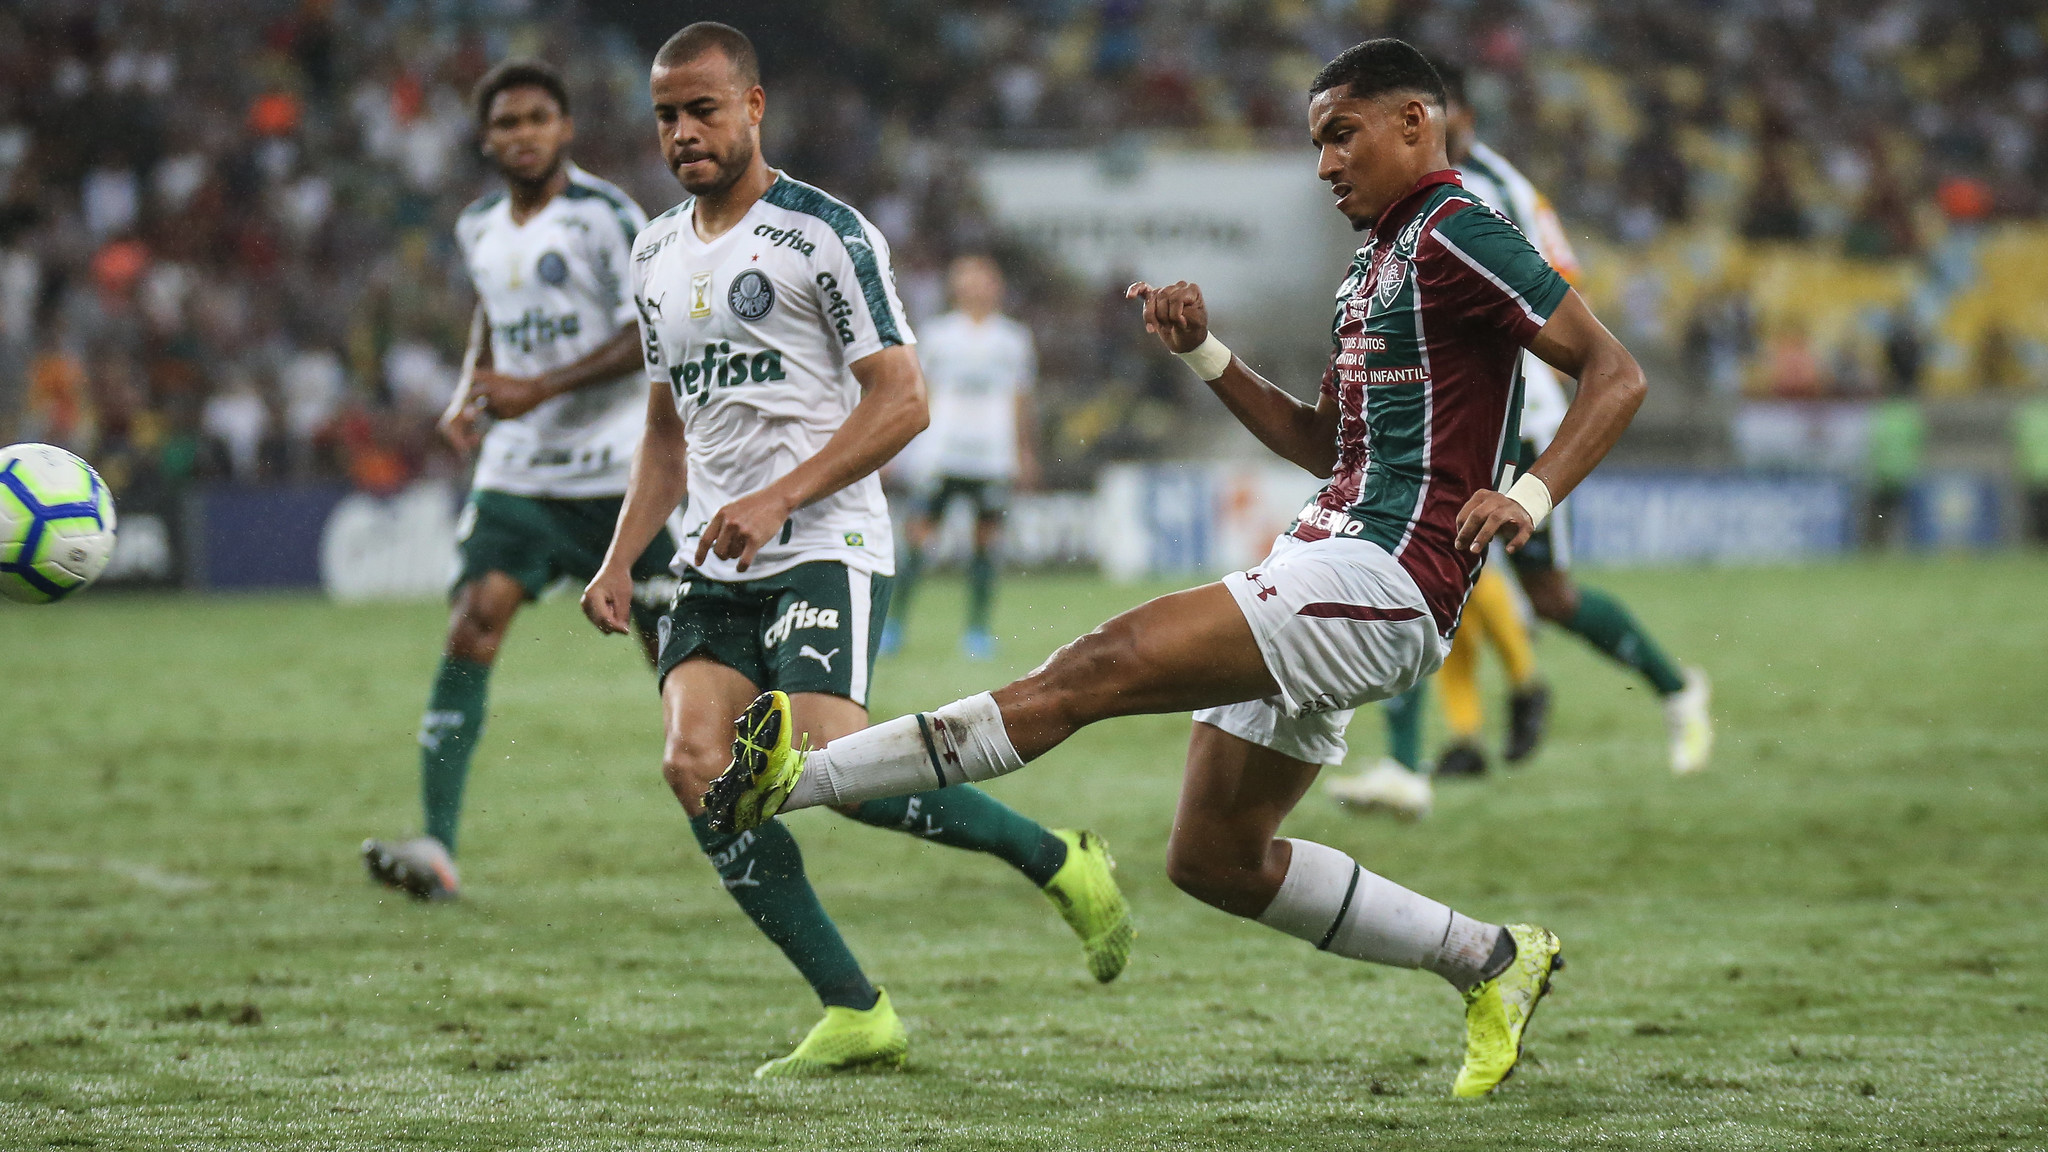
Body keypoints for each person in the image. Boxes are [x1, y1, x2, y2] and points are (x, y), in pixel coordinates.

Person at [704, 39, 1651, 1097]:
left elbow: (1612, 372)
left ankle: (799, 781)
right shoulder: (1371, 265)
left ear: (1413, 124)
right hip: (1327, 552)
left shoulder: (1459, 231)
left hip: (1386, 577)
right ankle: (1490, 960)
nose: (1325, 164)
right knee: (1213, 859)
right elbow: (1321, 445)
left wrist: (1529, 494)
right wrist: (1204, 352)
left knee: (1094, 668)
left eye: (1342, 136)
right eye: (1316, 143)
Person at [578, 23, 1131, 1080]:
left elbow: (903, 399)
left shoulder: (824, 235)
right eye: (665, 116)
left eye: (702, 109)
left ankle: (1055, 858)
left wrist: (780, 496)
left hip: (824, 541)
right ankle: (853, 1007)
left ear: (754, 107)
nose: (683, 132)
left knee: (835, 768)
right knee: (695, 768)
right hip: (712, 559)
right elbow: (664, 430)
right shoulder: (652, 254)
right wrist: (618, 558)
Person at [1330, 58, 1710, 824]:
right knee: (1407, 568)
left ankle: (1676, 689)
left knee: (1550, 597)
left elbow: (1562, 297)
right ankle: (1406, 763)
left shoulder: (1482, 196)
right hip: (1464, 415)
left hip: (1518, 418)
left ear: (1442, 120)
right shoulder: (1446, 198)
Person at [361, 59, 675, 901]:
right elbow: (492, 315)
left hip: (619, 470)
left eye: (539, 118)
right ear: (485, 139)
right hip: (521, 471)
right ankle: (437, 847)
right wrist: (473, 388)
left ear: (565, 128)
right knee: (473, 624)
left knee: (677, 661)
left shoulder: (607, 215)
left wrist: (541, 387)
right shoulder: (476, 227)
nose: (524, 134)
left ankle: (741, 817)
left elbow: (650, 332)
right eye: (507, 123)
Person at [880, 254, 1039, 660]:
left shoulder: (1013, 338)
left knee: (986, 544)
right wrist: (902, 444)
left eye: (984, 279)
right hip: (941, 452)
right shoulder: (938, 334)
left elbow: (1021, 398)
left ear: (997, 286)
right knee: (917, 539)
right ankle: (893, 627)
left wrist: (1024, 451)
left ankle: (977, 632)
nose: (976, 286)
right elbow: (921, 392)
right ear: (956, 287)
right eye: (968, 279)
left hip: (991, 455)